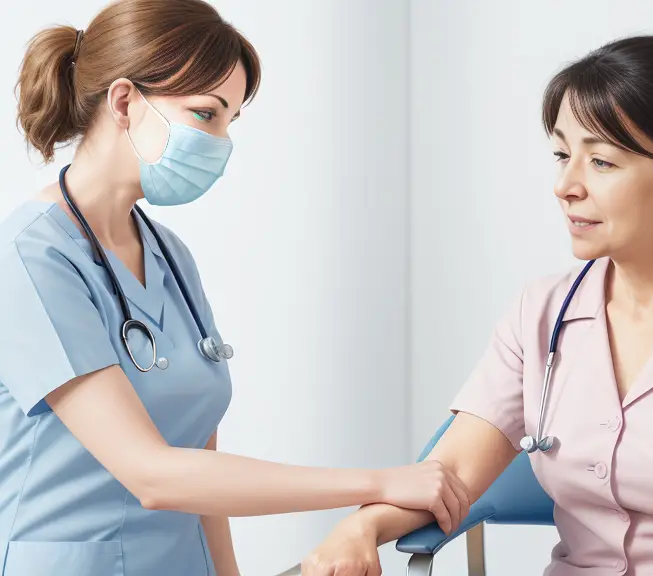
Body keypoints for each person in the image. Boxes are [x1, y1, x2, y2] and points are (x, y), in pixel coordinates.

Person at [0, 1, 471, 575]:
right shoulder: (30, 256)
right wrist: (378, 481)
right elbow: (151, 473)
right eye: (206, 114)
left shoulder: (169, 255)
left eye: (229, 121)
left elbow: (202, 457)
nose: (221, 143)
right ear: (124, 102)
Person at [302, 34, 653, 576]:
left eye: (602, 162)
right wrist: (360, 528)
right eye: (562, 155)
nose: (565, 186)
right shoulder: (541, 311)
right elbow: (448, 473)